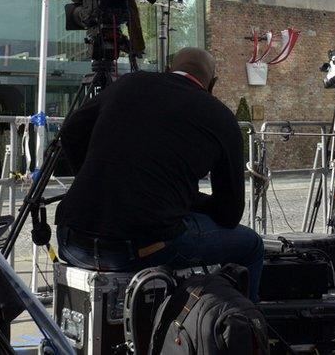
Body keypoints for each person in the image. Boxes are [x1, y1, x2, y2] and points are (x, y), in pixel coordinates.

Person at [54, 47, 264, 300]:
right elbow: (230, 214)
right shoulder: (220, 116)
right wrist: (189, 199)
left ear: (167, 70)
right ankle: (245, 330)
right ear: (213, 84)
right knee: (251, 245)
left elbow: (70, 131)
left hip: (71, 239)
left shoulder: (129, 84)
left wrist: (93, 176)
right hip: (142, 246)